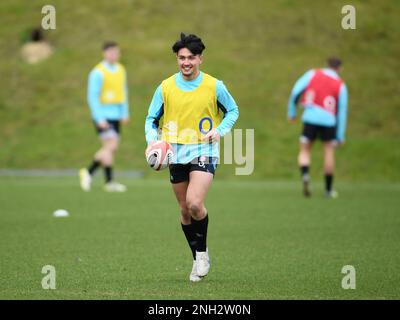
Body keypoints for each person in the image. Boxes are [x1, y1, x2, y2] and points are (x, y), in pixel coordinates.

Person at [145, 33, 239, 282]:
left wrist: (219, 131)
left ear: (200, 59)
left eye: (191, 58)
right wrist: (153, 142)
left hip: (203, 150)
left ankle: (203, 255)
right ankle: (199, 255)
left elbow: (232, 110)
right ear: (177, 59)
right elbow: (151, 119)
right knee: (185, 211)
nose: (186, 62)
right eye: (181, 58)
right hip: (175, 152)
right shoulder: (165, 87)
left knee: (195, 203)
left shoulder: (214, 85)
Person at [288, 57, 348, 198]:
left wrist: (292, 112)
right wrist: (340, 135)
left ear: (327, 65)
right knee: (328, 152)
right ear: (339, 68)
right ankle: (328, 190)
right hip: (329, 121)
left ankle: (305, 175)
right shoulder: (341, 85)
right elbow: (342, 111)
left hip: (310, 118)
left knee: (305, 150)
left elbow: (296, 91)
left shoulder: (312, 74)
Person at [80, 41, 130, 192]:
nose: (114, 55)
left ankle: (108, 182)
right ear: (104, 53)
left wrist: (124, 112)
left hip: (116, 116)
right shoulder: (97, 72)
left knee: (109, 149)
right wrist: (99, 118)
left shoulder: (121, 69)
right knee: (111, 146)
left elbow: (124, 91)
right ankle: (88, 172)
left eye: (116, 52)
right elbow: (92, 97)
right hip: (103, 116)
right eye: (111, 52)